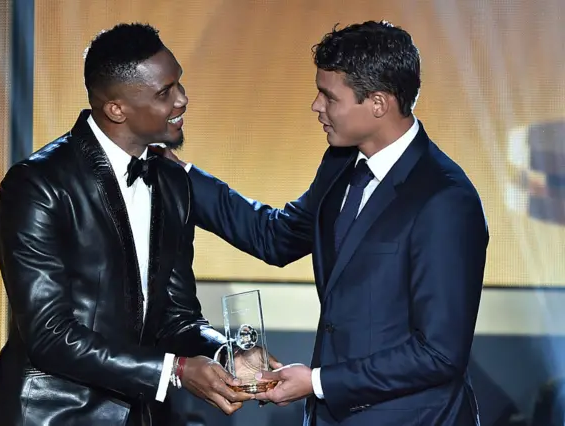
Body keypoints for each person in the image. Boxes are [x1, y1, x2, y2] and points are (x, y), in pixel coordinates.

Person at [166, 21, 489, 425]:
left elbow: (439, 354)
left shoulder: (445, 199)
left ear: (377, 103)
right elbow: (277, 237)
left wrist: (318, 382)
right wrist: (183, 176)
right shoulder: (340, 163)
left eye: (329, 96)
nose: (316, 106)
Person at [0, 22, 254, 426]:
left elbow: (176, 315)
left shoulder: (174, 183)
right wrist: (173, 371)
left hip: (142, 412)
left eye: (179, 84)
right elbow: (51, 335)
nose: (183, 100)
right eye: (165, 92)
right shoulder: (36, 185)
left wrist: (225, 353)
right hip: (51, 414)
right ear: (116, 109)